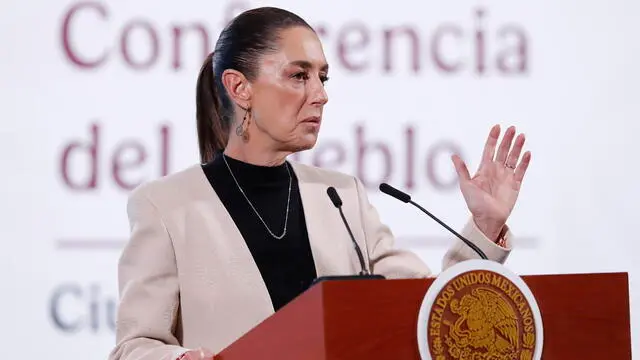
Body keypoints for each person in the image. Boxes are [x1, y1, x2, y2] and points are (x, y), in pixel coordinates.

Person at [108, 6, 531, 360]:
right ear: (239, 87)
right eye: (299, 75)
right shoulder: (165, 206)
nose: (320, 94)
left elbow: (426, 312)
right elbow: (134, 347)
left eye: (322, 78)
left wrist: (484, 225)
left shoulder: (341, 197)